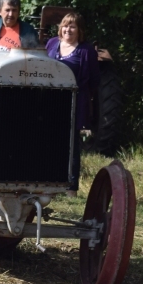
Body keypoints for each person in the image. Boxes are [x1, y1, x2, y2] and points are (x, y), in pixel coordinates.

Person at [46, 12, 100, 190]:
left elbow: (94, 81)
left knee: (71, 144)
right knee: (49, 140)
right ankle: (50, 180)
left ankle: (71, 187)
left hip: (74, 103)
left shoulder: (86, 51)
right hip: (50, 101)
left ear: (79, 30)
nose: (68, 29)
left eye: (72, 26)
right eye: (65, 25)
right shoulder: (52, 44)